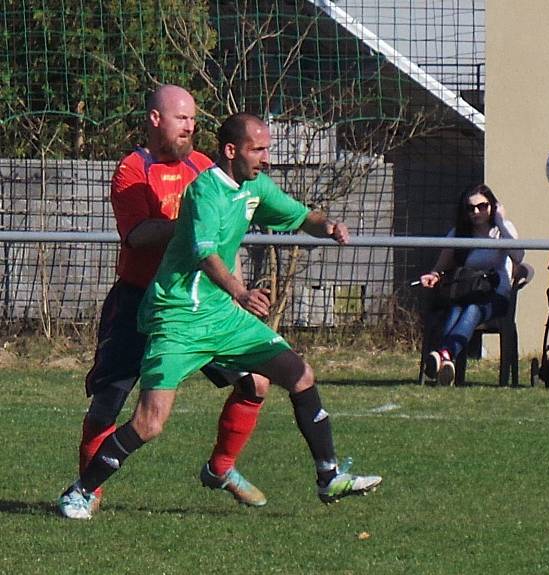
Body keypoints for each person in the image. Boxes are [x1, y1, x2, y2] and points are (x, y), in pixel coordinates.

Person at [58, 112, 381, 519]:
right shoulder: (204, 192)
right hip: (178, 317)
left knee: (299, 374)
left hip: (221, 317)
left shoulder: (255, 186)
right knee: (149, 423)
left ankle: (327, 475)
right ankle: (80, 491)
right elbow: (205, 255)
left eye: (267, 149)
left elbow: (300, 216)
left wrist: (329, 225)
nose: (267, 158)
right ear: (231, 151)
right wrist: (242, 293)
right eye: (258, 150)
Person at [73, 85, 272, 516]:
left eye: (194, 119)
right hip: (138, 302)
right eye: (182, 118)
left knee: (256, 381)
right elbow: (137, 235)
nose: (191, 127)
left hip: (199, 304)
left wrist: (235, 293)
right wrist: (188, 225)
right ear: (156, 119)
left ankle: (220, 467)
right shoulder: (133, 170)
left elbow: (226, 241)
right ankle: (87, 492)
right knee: (108, 402)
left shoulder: (204, 166)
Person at [418, 184, 524, 385]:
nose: (476, 212)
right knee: (458, 309)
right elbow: (441, 264)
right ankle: (446, 358)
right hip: (467, 290)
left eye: (482, 206)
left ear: (492, 206)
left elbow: (518, 256)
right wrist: (433, 275)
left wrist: (500, 221)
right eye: (470, 208)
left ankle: (442, 355)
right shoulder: (459, 233)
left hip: (496, 292)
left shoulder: (503, 229)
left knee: (473, 309)